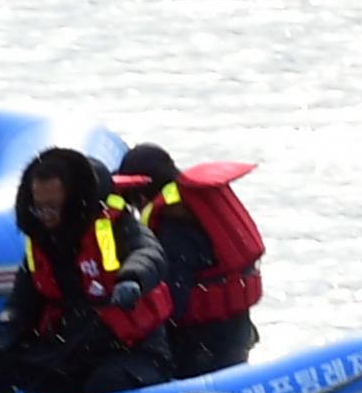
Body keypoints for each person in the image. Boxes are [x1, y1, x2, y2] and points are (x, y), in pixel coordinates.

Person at [0, 148, 173, 393]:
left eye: (53, 208)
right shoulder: (42, 241)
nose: (46, 216)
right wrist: (8, 321)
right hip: (68, 351)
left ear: (72, 201)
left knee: (105, 384)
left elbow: (149, 252)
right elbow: (22, 300)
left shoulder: (117, 224)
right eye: (39, 208)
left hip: (132, 351)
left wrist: (132, 279)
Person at [112, 142, 265, 377]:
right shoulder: (194, 208)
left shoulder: (173, 228)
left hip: (206, 346)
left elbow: (172, 303)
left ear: (141, 195)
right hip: (235, 330)